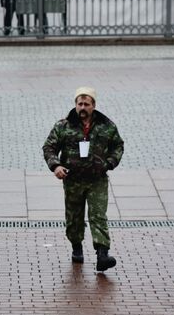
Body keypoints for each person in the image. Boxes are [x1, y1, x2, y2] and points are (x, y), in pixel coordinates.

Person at [43, 87, 124, 272]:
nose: (82, 107)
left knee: (98, 216)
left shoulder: (107, 126)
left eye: (86, 104)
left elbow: (118, 145)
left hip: (97, 179)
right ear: (75, 104)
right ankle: (76, 247)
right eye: (80, 103)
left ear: (93, 106)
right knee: (74, 217)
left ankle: (102, 254)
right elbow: (49, 147)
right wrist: (56, 166)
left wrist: (109, 163)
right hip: (73, 180)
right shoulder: (63, 126)